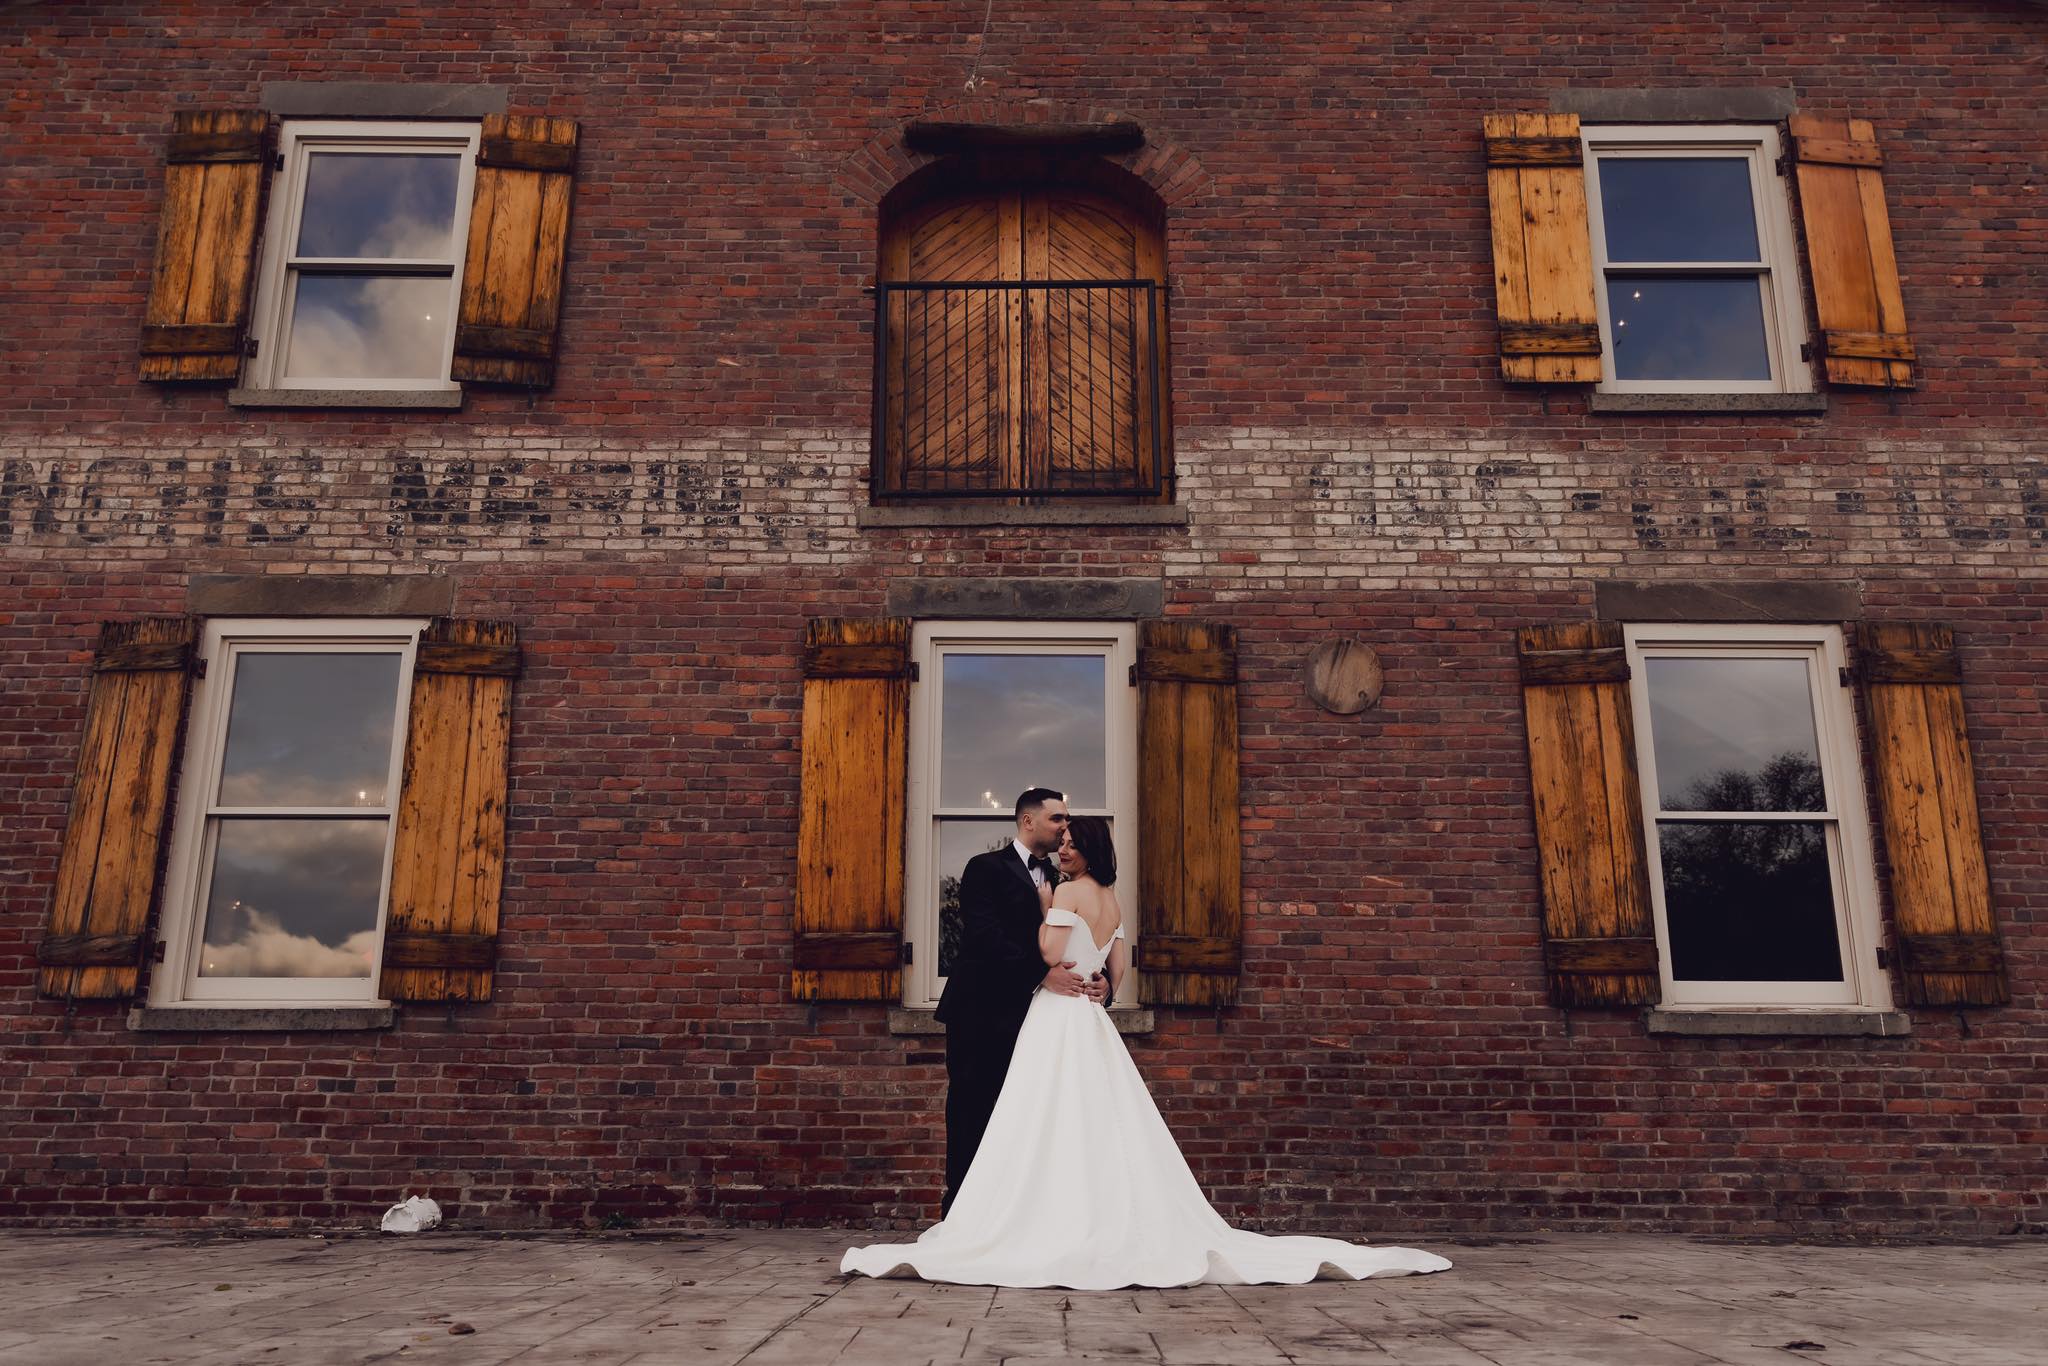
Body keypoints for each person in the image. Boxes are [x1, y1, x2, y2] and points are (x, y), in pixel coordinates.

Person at [844, 815, 1451, 1289]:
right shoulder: (1111, 899)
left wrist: (1047, 922)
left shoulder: (1069, 893)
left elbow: (1051, 957)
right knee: (1095, 1121)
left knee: (1041, 1116)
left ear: (1086, 851)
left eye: (1072, 842)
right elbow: (1118, 970)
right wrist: (1101, 984)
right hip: (1091, 1017)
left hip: (1057, 1013)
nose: (1063, 848)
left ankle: (1035, 1218)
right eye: (1062, 838)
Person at [930, 788, 1106, 1219]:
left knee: (1027, 1116)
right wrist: (1041, 972)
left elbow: (1081, 941)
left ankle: (1014, 1217)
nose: (1066, 827)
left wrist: (1102, 984)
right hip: (980, 1012)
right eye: (1057, 819)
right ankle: (960, 1215)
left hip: (1038, 1019)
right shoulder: (983, 868)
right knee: (974, 1108)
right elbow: (984, 936)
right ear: (1028, 821)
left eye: (1067, 821)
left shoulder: (1064, 883)